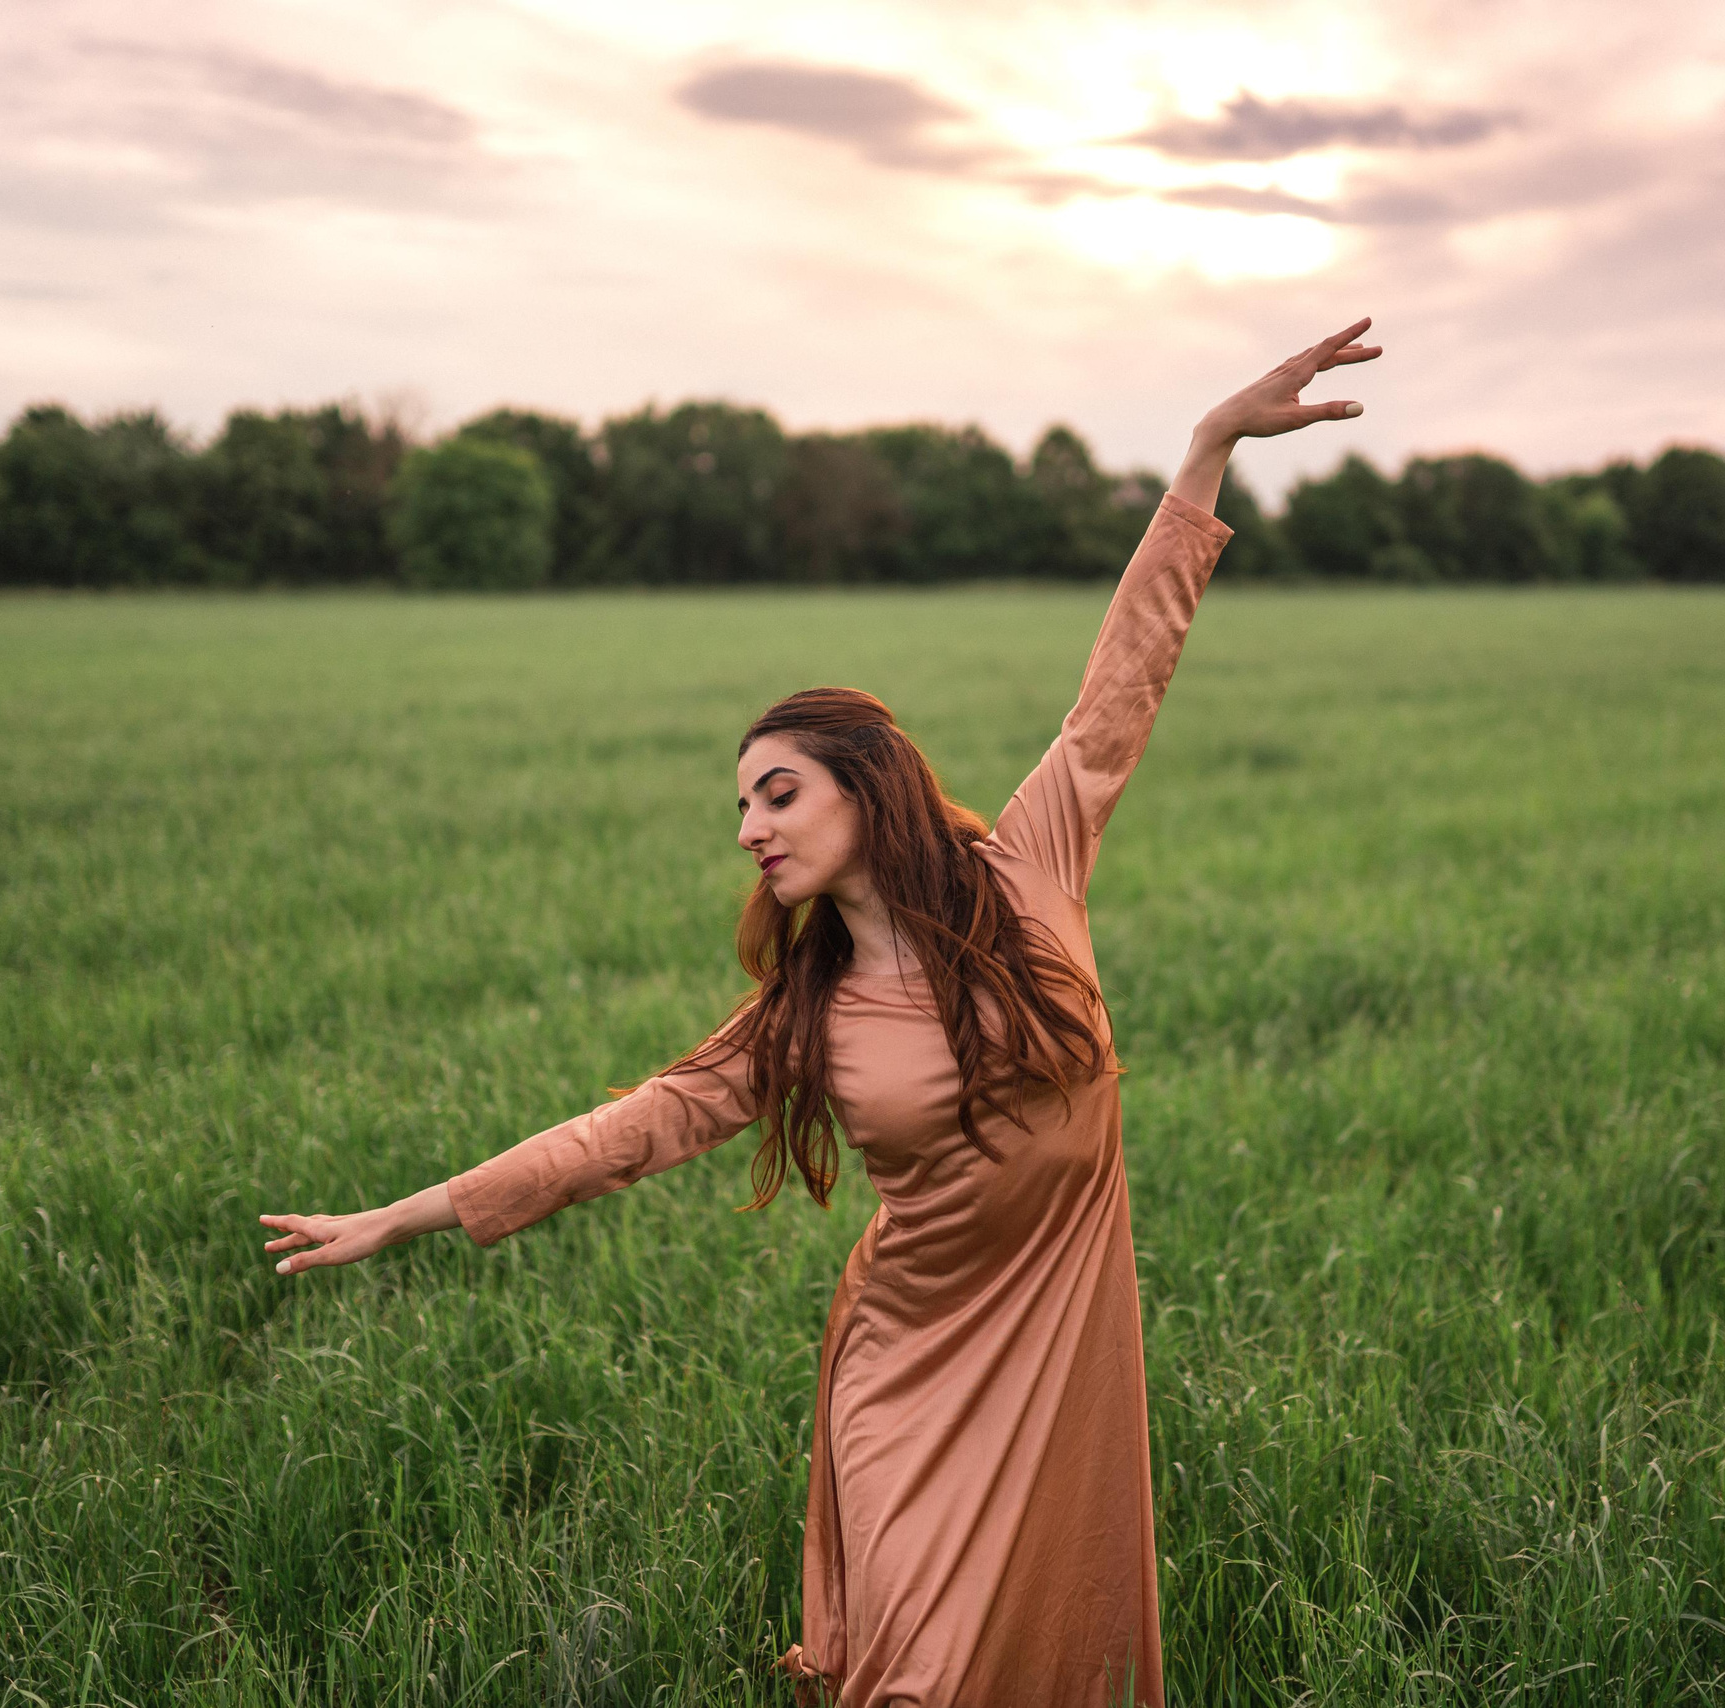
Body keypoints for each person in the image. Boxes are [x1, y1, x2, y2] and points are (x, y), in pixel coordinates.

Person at [257, 318, 1379, 1707]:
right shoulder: (806, 1013)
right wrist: (403, 1214)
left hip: (1058, 1336)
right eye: (738, 805)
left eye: (777, 791)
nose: (749, 827)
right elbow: (630, 1131)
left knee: (1044, 1650)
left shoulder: (1026, 874)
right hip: (908, 1358)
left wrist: (1206, 452)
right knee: (914, 1678)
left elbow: (1122, 685)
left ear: (867, 785)